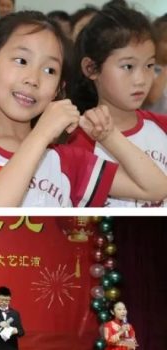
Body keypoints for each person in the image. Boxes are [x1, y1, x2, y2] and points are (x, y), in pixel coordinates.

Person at [0, 11, 167, 207]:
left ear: (58, 88)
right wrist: (41, 134)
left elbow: (155, 188)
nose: (33, 79)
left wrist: (109, 135)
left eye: (50, 70)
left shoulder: (67, 159)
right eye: (21, 61)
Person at [69, 5, 167, 207]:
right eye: (128, 66)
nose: (141, 80)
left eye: (149, 65)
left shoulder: (162, 126)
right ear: (91, 68)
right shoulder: (77, 143)